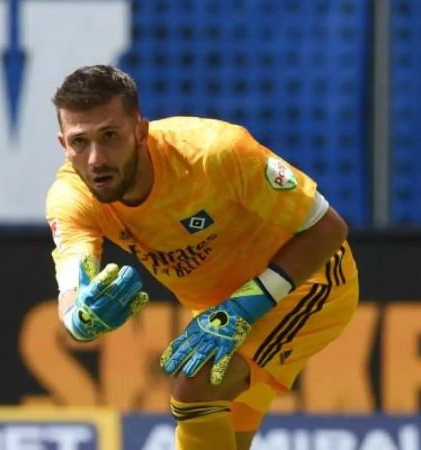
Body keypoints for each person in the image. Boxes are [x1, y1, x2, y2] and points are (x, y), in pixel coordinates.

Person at [45, 65, 357, 450]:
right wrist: (81, 321)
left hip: (310, 282)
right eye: (80, 142)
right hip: (221, 314)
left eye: (110, 136)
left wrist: (243, 310)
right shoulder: (72, 197)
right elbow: (72, 291)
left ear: (140, 131)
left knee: (195, 385)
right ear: (63, 144)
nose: (96, 159)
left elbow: (328, 228)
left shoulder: (214, 154)